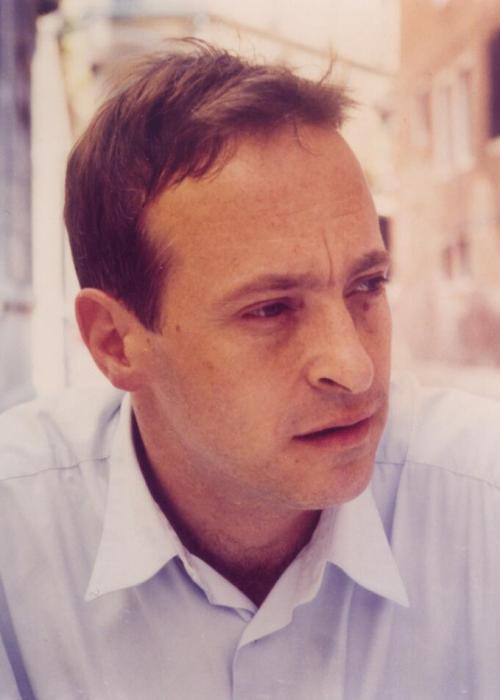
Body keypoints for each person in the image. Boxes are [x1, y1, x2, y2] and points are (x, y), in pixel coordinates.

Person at [1, 40, 500, 700]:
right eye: (269, 310)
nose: (353, 368)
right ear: (116, 343)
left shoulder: (480, 501)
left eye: (368, 285)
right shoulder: (17, 535)